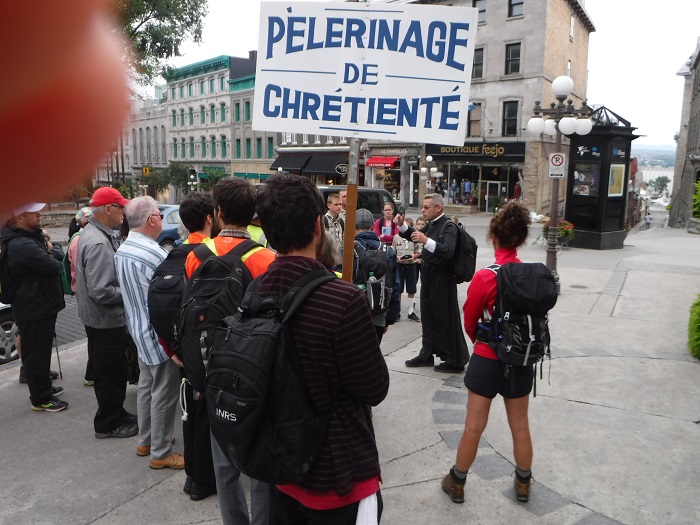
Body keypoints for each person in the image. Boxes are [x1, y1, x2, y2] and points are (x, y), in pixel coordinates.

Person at [256, 173, 389, 525]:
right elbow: (374, 389)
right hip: (338, 474)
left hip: (282, 467)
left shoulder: (254, 290)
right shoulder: (342, 299)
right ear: (318, 224)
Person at [184, 178, 276, 524]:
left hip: (212, 368)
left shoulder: (196, 256)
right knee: (262, 456)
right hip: (255, 368)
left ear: (218, 213)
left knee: (223, 458)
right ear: (252, 214)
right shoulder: (265, 258)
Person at [441, 201, 536, 504]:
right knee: (520, 425)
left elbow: (469, 319)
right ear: (520, 239)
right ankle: (523, 482)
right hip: (521, 359)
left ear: (493, 237)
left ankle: (457, 481)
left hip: (488, 357)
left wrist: (480, 341)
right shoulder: (530, 275)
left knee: (473, 426)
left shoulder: (486, 276)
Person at [114, 196, 184, 470]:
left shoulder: (123, 248)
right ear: (151, 219)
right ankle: (161, 451)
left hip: (139, 332)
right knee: (164, 394)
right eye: (159, 214)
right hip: (157, 335)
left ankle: (146, 440)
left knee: (146, 387)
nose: (161, 219)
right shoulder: (154, 253)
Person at [76, 187, 138, 438]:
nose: (124, 212)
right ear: (109, 209)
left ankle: (116, 413)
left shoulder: (93, 234)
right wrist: (130, 293)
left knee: (112, 371)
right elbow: (101, 291)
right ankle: (108, 423)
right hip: (105, 320)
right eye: (121, 206)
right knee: (110, 374)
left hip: (99, 318)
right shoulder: (99, 242)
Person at [171, 192, 218, 498]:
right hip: (211, 347)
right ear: (210, 218)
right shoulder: (206, 253)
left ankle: (194, 476)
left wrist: (173, 347)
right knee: (210, 415)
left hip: (185, 346)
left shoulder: (179, 253)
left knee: (192, 412)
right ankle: (204, 478)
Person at [1, 203, 67, 412]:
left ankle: (44, 387)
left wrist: (48, 245)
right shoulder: (22, 245)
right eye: (34, 213)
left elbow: (50, 256)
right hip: (34, 306)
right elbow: (54, 266)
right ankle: (41, 398)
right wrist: (54, 249)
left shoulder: (28, 237)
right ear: (20, 218)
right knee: (36, 353)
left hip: (39, 303)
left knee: (41, 350)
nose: (40, 215)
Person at [395, 194, 469, 373]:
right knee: (428, 315)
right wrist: (402, 225)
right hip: (428, 274)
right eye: (422, 207)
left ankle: (454, 359)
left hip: (442, 277)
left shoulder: (448, 226)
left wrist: (426, 240)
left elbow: (448, 251)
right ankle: (426, 354)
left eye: (427, 207)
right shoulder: (433, 224)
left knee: (444, 317)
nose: (422, 210)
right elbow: (414, 236)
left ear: (438, 208)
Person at [354, 208, 401, 343]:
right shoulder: (388, 251)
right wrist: (390, 317)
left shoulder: (346, 249)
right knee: (373, 352)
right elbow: (395, 285)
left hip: (354, 313)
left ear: (353, 226)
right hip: (379, 312)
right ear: (373, 226)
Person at [392, 220, 420, 322]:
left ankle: (411, 312)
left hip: (411, 265)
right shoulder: (396, 237)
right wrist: (397, 257)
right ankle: (397, 312)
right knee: (399, 289)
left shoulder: (414, 238)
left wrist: (414, 256)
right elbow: (393, 251)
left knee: (411, 289)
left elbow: (419, 251)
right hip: (400, 265)